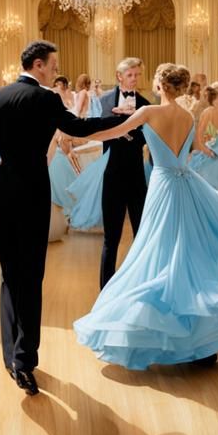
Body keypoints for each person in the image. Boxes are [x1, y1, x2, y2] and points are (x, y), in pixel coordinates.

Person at [74, 62, 218, 370]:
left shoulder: (148, 112)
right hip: (188, 185)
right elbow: (195, 148)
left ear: (160, 85)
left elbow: (110, 133)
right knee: (189, 255)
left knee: (157, 252)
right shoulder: (188, 116)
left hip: (163, 187)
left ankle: (158, 332)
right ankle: (199, 341)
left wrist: (73, 131)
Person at [0, 41, 111, 395]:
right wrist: (123, 122)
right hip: (32, 190)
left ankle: (10, 354)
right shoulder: (45, 98)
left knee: (9, 272)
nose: (56, 71)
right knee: (30, 275)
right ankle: (24, 361)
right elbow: (79, 128)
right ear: (39, 65)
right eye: (53, 65)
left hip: (5, 187)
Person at [95, 57, 149, 288]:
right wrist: (118, 126)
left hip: (137, 177)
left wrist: (131, 129)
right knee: (111, 238)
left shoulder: (146, 105)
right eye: (130, 75)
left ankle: (139, 286)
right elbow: (95, 130)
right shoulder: (103, 101)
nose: (135, 79)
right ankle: (105, 290)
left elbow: (148, 138)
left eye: (137, 75)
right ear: (119, 76)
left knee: (141, 235)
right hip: (112, 176)